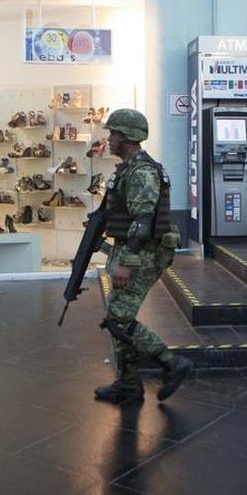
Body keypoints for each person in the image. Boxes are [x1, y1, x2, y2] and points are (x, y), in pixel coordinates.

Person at [94, 109, 193, 403]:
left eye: (112, 133)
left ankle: (172, 364)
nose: (109, 139)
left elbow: (143, 220)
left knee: (120, 318)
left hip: (141, 254)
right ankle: (128, 384)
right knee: (117, 317)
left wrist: (125, 262)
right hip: (130, 249)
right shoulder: (129, 168)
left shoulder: (142, 172)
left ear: (125, 137)